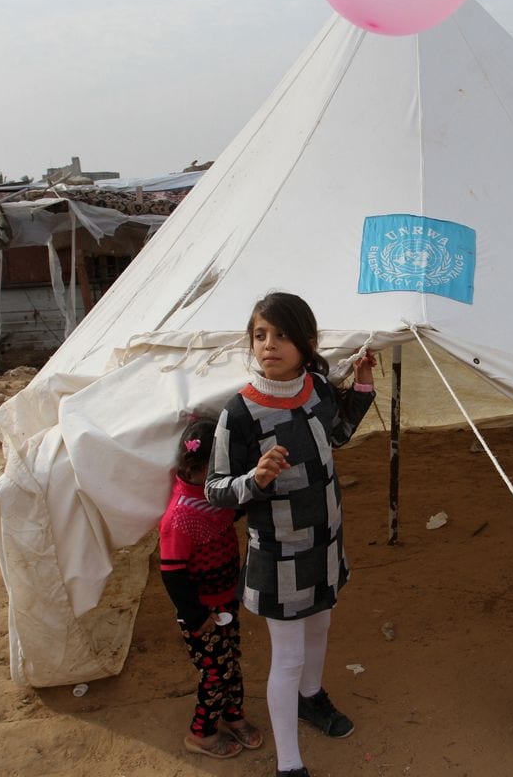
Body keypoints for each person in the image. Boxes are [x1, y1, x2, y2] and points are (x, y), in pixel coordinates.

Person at [206, 292, 376, 777]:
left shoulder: (317, 389)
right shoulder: (238, 415)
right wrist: (254, 480)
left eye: (281, 335)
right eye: (260, 335)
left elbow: (338, 435)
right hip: (277, 555)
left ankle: (311, 698)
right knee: (288, 655)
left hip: (325, 542)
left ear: (307, 343)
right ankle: (289, 765)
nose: (269, 345)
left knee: (321, 625)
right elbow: (216, 489)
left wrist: (361, 387)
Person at [159, 415, 263, 760]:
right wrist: (194, 615)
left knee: (231, 659)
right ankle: (201, 733)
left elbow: (229, 515)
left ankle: (234, 716)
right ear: (197, 467)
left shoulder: (212, 497)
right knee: (214, 673)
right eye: (219, 467)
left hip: (225, 600)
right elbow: (172, 572)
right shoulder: (180, 516)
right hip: (203, 612)